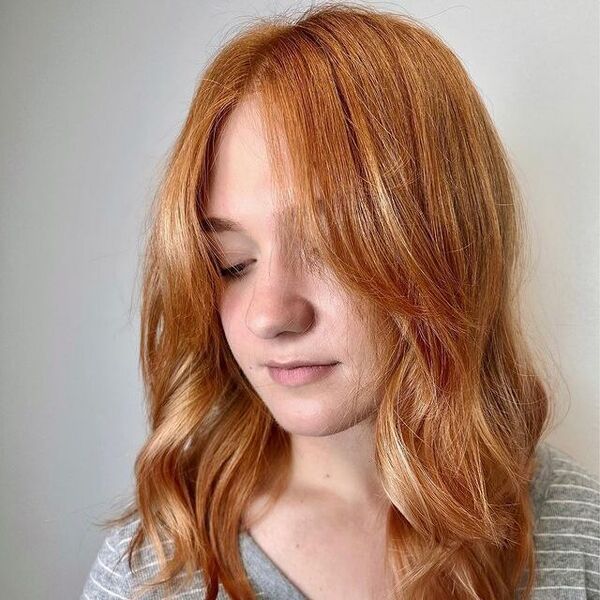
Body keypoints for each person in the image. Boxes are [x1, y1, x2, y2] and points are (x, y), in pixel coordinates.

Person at [80, 3, 599, 599]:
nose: (270, 315)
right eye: (234, 264)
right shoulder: (155, 567)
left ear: (445, 247)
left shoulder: (579, 539)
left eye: (330, 247)